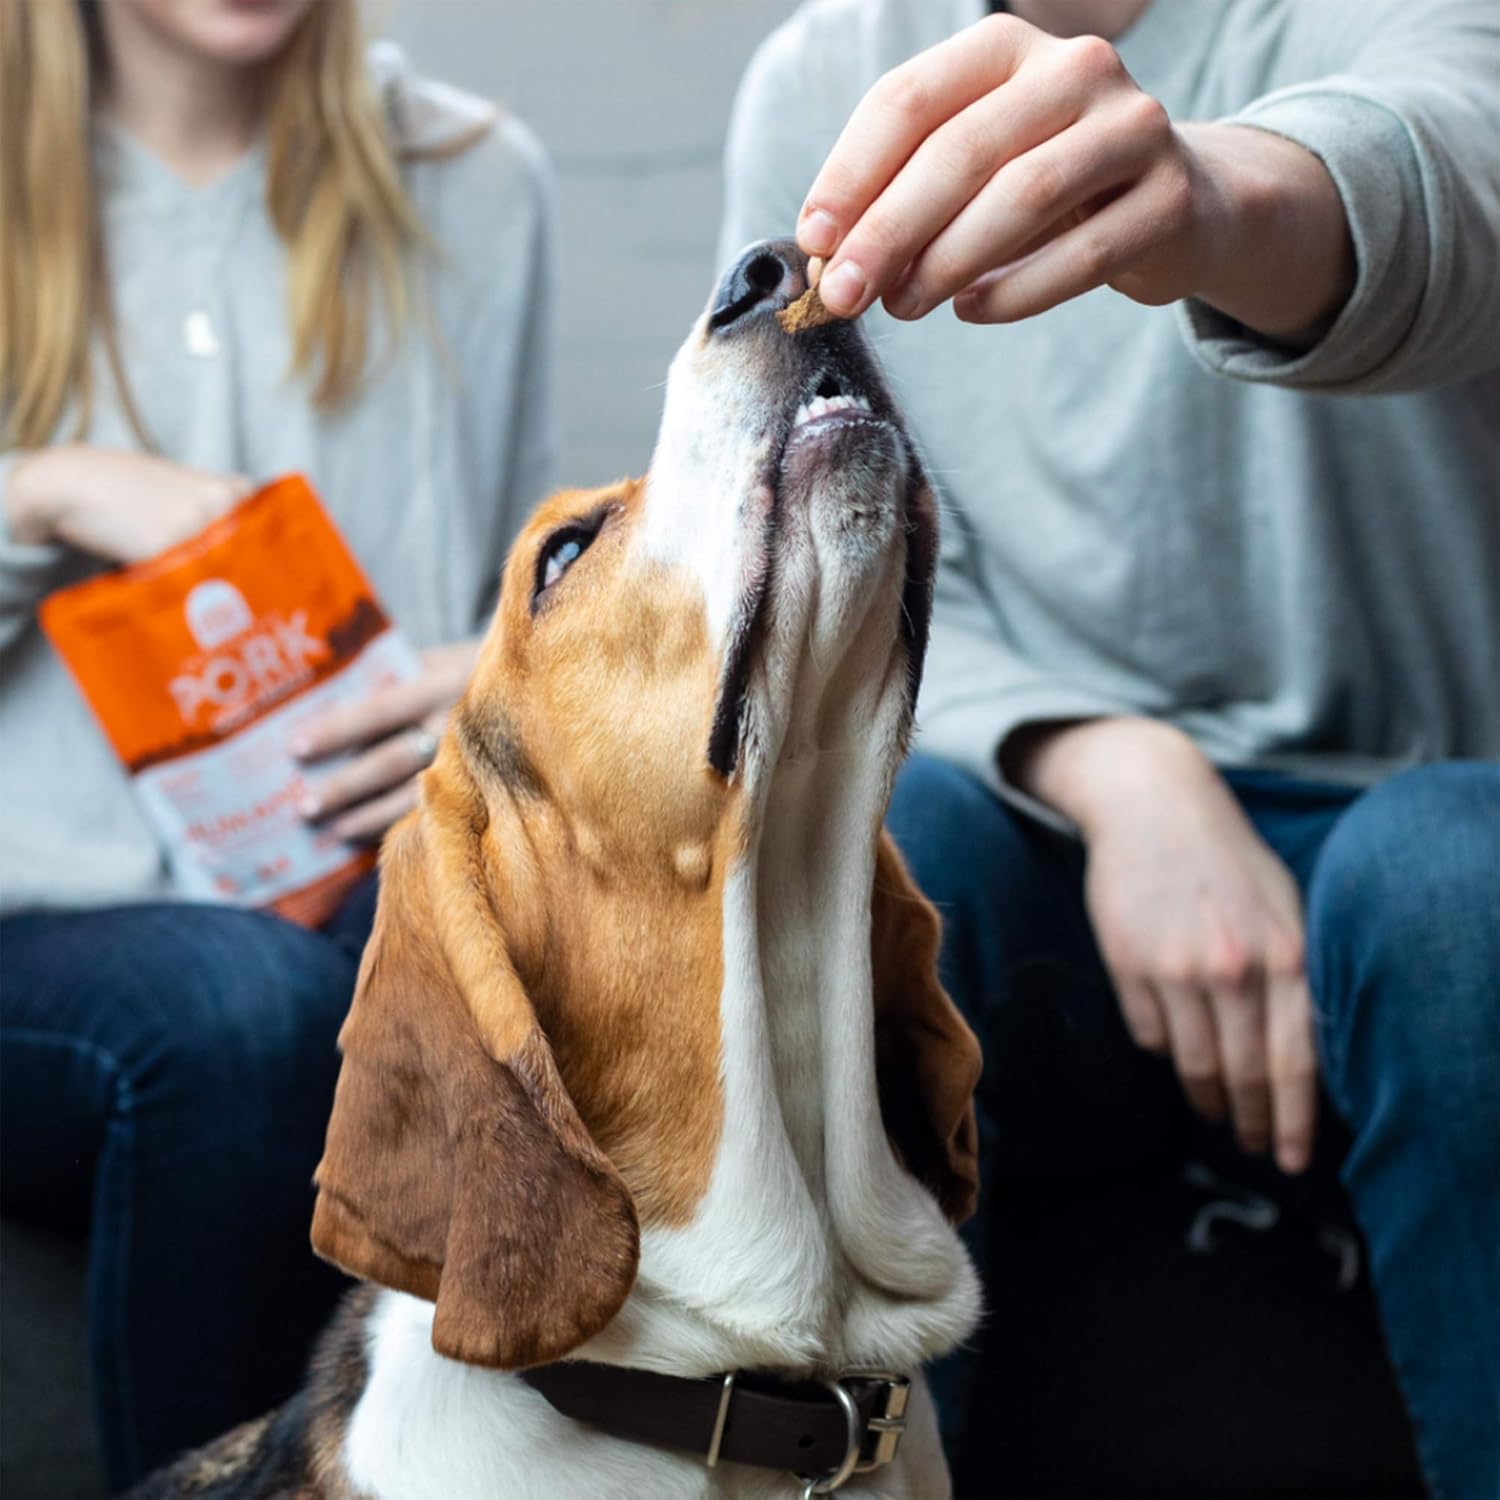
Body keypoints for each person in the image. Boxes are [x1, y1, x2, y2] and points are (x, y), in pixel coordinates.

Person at [721, 1, 1499, 1496]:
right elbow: (826, 560)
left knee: (1452, 884)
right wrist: (1114, 767)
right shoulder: (822, 75)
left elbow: (1447, 176)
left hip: (1413, 806)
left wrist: (1210, 204)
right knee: (878, 851)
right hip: (1042, 828)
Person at [0, 0, 553, 1485]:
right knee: (242, 1003)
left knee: (512, 937)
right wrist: (40, 491)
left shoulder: (472, 179)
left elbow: (496, 593)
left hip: (357, 877)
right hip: (42, 935)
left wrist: (493, 680)